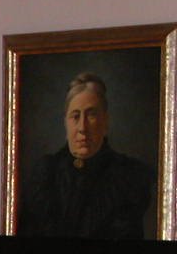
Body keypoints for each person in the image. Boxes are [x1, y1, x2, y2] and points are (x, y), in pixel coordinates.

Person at [17, 71, 153, 238]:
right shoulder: (44, 174)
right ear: (66, 123)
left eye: (91, 115)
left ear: (105, 122)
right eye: (75, 116)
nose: (82, 127)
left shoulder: (129, 177)